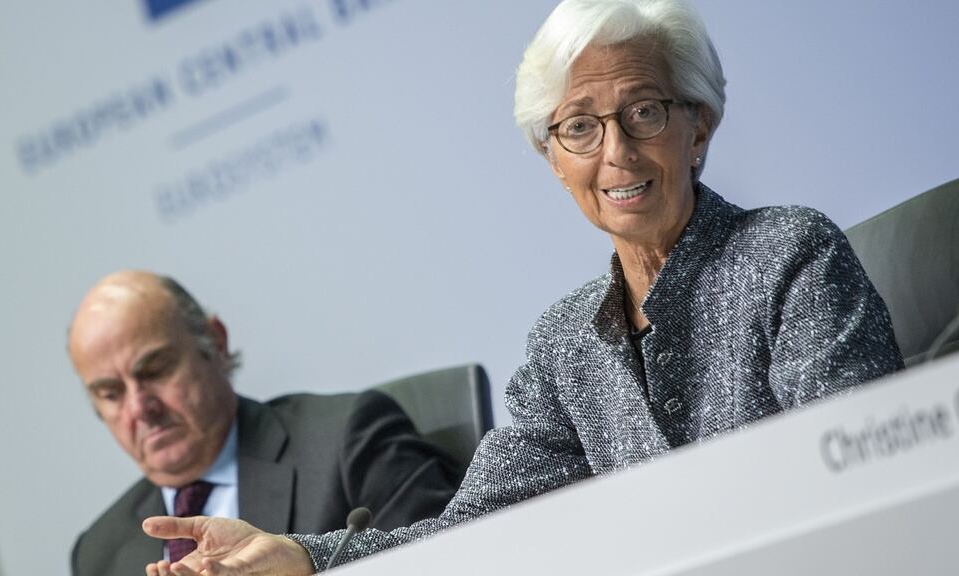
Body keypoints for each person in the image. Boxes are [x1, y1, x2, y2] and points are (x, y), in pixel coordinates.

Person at [140, 0, 905, 574]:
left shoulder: (789, 255)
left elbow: (863, 478)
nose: (616, 153)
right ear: (553, 159)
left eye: (643, 111)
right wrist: (303, 557)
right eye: (579, 126)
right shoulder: (565, 343)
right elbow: (471, 531)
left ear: (697, 127)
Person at [66, 270, 461, 576]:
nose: (140, 407)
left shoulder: (348, 439)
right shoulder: (100, 552)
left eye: (155, 370)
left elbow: (452, 558)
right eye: (111, 393)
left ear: (216, 344)